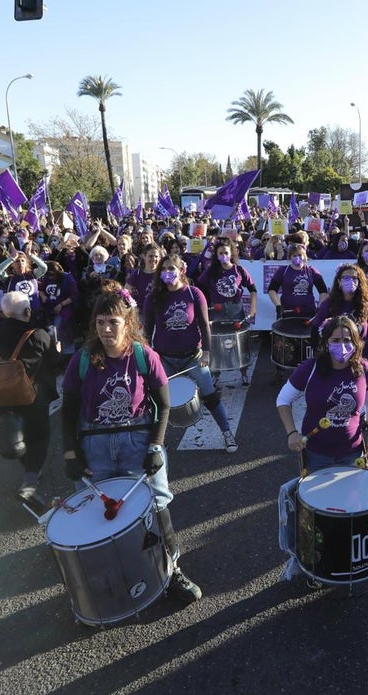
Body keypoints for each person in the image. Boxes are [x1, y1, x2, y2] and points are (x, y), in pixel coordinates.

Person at [60, 291, 202, 603]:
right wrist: (71, 452)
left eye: (113, 322)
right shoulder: (82, 359)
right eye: (100, 322)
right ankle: (109, 580)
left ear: (128, 322)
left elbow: (163, 406)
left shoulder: (143, 356)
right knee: (100, 514)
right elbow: (68, 410)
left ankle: (171, 570)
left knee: (157, 504)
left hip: (137, 442)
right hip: (95, 443)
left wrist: (155, 445)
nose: (106, 329)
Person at [143, 256, 239, 454]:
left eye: (172, 268)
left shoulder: (194, 293)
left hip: (193, 356)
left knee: (210, 396)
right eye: (164, 269)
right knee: (158, 402)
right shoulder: (153, 297)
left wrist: (206, 351)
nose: (167, 272)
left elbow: (204, 324)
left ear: (181, 270)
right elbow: (147, 329)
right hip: (164, 358)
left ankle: (227, 433)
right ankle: (158, 442)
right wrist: (149, 355)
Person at [0, 291, 56, 503]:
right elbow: (55, 364)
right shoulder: (39, 335)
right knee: (39, 437)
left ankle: (27, 469)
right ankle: (30, 479)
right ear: (27, 311)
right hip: (34, 397)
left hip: (1, 397)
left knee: (16, 432)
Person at [277, 314, 368, 470]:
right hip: (316, 454)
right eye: (335, 340)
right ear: (326, 342)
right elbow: (283, 400)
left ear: (356, 343)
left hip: (353, 452)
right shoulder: (309, 368)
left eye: (347, 340)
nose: (342, 346)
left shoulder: (363, 368)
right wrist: (291, 433)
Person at [197, 241, 258, 323]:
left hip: (235, 309)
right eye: (220, 253)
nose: (223, 255)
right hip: (217, 309)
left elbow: (252, 289)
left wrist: (253, 308)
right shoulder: (210, 270)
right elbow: (199, 288)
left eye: (226, 253)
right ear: (217, 255)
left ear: (231, 253)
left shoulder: (239, 270)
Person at [267, 243, 328, 319]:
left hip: (308, 314)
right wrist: (278, 306)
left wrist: (319, 307)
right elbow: (272, 289)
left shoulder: (311, 271)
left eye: (299, 255)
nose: (297, 257)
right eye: (294, 256)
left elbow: (323, 290)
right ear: (290, 257)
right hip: (288, 313)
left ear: (304, 256)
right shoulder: (283, 270)